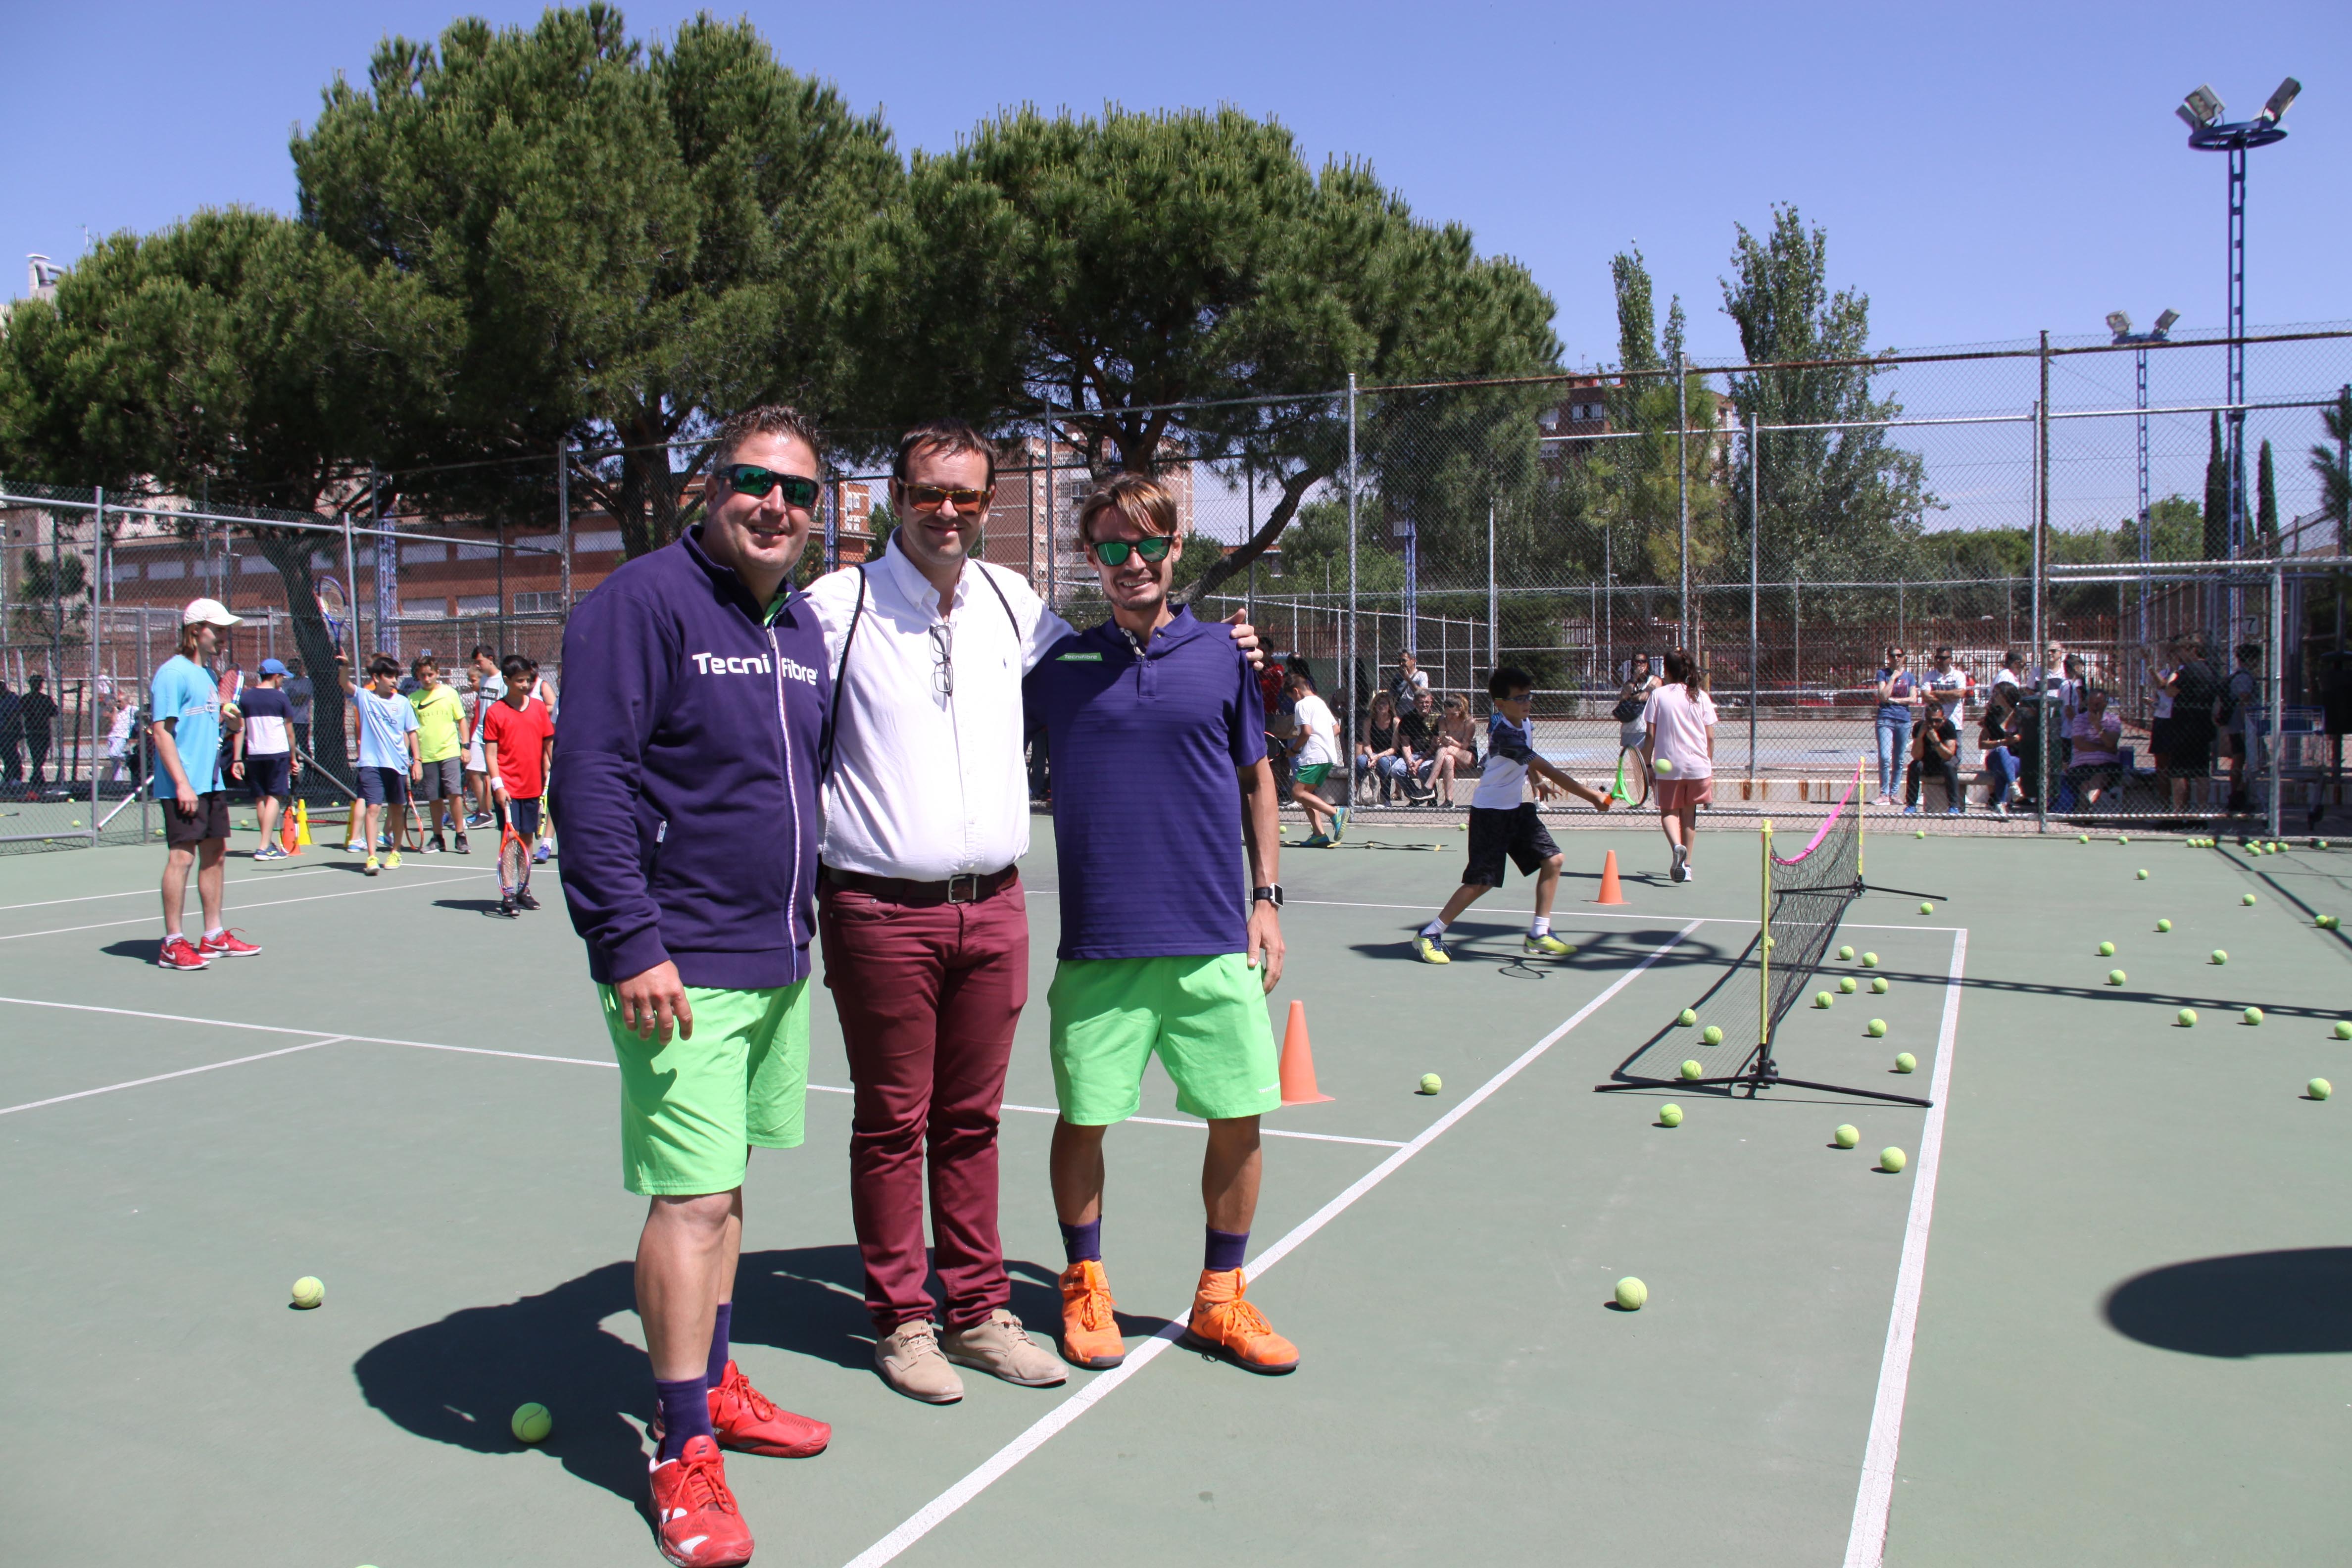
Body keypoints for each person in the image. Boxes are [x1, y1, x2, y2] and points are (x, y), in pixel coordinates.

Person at [802, 418, 1262, 1410]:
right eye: (930, 492)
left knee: (972, 1123)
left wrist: (1223, 645)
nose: (949, 511)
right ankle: (904, 1321)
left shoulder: (1012, 604)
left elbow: (1126, 656)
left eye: (967, 495)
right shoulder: (834, 608)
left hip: (995, 909)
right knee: (893, 1124)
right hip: (879, 908)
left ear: (987, 503)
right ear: (896, 495)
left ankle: (977, 1312)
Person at [555, 404, 834, 1568]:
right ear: (709, 489)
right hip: (679, 963)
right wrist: (628, 938)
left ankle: (713, 1382)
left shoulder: (801, 627)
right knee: (691, 1200)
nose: (775, 505)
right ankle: (679, 1447)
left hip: (776, 957)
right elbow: (591, 778)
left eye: (798, 492)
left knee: (726, 1187)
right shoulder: (641, 602)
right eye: (753, 481)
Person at [1025, 473, 1298, 1375]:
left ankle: (1221, 1297)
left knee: (1238, 1117)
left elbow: (1258, 780)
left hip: (1213, 940)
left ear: (1177, 547)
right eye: (1112, 546)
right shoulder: (1058, 669)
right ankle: (1083, 1283)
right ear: (1090, 557)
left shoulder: (1223, 655)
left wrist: (1267, 897)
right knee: (1084, 1120)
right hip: (1099, 946)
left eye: (1147, 543)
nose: (1131, 561)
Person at [1412, 666, 1611, 962]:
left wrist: (1537, 783)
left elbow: (1530, 763)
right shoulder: (1504, 733)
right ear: (1501, 704)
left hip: (1515, 810)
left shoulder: (1525, 723)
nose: (1526, 702)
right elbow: (1546, 766)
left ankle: (1539, 933)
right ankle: (1429, 934)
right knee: (1481, 882)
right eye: (1519, 698)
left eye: (1528, 696)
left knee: (1554, 860)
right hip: (1490, 814)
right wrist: (1592, 796)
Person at [149, 599, 262, 970]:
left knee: (215, 854)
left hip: (211, 782)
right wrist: (182, 784)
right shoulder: (172, 674)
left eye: (226, 630)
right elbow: (162, 733)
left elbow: (207, 725)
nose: (224, 636)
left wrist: (231, 722)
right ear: (196, 630)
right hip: (183, 784)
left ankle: (213, 936)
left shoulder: (210, 676)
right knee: (182, 857)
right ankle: (172, 943)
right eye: (219, 629)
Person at [481, 655, 555, 914]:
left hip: (533, 786)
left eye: (528, 680)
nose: (526, 685)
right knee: (510, 841)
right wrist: (498, 786)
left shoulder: (538, 709)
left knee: (527, 839)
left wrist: (557, 770)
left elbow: (549, 744)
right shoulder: (495, 713)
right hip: (508, 790)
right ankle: (509, 892)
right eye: (520, 681)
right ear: (507, 680)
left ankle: (524, 889)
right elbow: (491, 755)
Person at [1643, 650, 1718, 880]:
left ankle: (1677, 847)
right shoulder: (1701, 696)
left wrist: (1647, 765)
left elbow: (1650, 735)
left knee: (1669, 812)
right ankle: (1687, 868)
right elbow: (1710, 737)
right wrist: (1707, 763)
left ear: (1666, 670)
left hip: (1669, 766)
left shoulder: (1658, 695)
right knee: (1689, 815)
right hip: (1698, 767)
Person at [351, 655, 421, 876]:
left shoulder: (402, 702)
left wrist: (417, 761)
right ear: (376, 677)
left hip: (397, 764)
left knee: (396, 808)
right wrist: (343, 666)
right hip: (371, 763)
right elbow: (344, 684)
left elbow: (412, 732)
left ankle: (395, 851)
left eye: (395, 677)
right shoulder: (364, 697)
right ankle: (372, 857)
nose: (394, 681)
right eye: (389, 676)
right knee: (373, 808)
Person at [233, 659, 300, 861]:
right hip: (277, 753)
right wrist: (293, 758)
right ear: (276, 677)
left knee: (261, 798)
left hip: (254, 754)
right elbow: (290, 732)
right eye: (282, 677)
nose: (283, 681)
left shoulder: (246, 698)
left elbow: (240, 729)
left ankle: (267, 843)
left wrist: (237, 758)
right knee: (274, 797)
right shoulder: (281, 698)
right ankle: (263, 847)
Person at [407, 656, 470, 853]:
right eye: (423, 675)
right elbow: (411, 732)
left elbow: (462, 720)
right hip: (427, 755)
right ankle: (438, 838)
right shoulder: (413, 699)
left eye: (430, 674)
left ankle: (461, 836)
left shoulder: (450, 693)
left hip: (450, 752)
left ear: (437, 673)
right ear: (418, 676)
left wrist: (466, 746)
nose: (427, 679)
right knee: (434, 798)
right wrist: (415, 759)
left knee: (455, 794)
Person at [1285, 668, 1345, 844]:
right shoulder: (1320, 702)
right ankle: (1319, 835)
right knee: (1307, 795)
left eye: (1291, 697)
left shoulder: (1301, 705)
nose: (1293, 701)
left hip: (1313, 756)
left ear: (1296, 691)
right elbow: (1337, 729)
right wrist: (1322, 739)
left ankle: (1335, 813)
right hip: (1328, 756)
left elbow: (1306, 732)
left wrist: (1294, 749)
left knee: (1297, 793)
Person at [2060, 688, 2123, 813]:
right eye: (2091, 704)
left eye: (2098, 704)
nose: (2095, 707)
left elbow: (2111, 743)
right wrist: (2104, 748)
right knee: (2085, 783)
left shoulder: (2113, 720)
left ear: (2106, 703)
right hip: (2081, 764)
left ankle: (2084, 808)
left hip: (2107, 764)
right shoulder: (2080, 719)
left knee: (2099, 778)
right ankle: (2087, 808)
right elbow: (2080, 744)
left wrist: (2097, 725)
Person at [462, 642, 504, 830]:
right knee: (472, 770)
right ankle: (485, 813)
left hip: (496, 736)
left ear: (490, 659)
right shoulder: (484, 679)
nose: (477, 665)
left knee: (498, 775)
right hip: (480, 733)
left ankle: (505, 810)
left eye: (479, 662)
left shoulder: (503, 680)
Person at [2220, 642, 2262, 813]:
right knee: (2240, 758)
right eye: (2256, 659)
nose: (2258, 663)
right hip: (2242, 726)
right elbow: (2244, 701)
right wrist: (2247, 727)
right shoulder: (2244, 678)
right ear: (2250, 659)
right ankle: (2237, 794)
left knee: (2242, 758)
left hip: (2240, 725)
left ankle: (2239, 793)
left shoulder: (2241, 676)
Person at [1905, 693, 1963, 816]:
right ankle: (1911, 805)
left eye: (1937, 721)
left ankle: (1953, 807)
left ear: (1943, 719)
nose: (1934, 724)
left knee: (1949, 766)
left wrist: (1936, 741)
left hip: (1944, 761)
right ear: (1926, 719)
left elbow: (1949, 755)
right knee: (1914, 766)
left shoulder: (1949, 727)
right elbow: (1916, 756)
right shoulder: (1919, 727)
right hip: (1927, 762)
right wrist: (1920, 737)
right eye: (1930, 720)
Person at [1873, 645, 1916, 805]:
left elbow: (1913, 699)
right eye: (1893, 655)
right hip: (1886, 718)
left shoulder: (1910, 677)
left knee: (1899, 758)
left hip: (1904, 720)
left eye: (1899, 655)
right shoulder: (1882, 674)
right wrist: (1893, 678)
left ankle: (1894, 794)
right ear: (1888, 658)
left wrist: (1896, 700)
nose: (1896, 658)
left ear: (1903, 657)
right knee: (1885, 757)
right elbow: (1883, 696)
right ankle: (1884, 794)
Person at [1355, 691, 1413, 805]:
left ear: (1389, 706)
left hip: (1390, 755)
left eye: (1384, 703)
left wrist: (1377, 757)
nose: (1381, 706)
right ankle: (1365, 796)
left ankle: (1385, 799)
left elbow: (1394, 748)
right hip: (1373, 754)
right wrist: (1371, 756)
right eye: (1378, 703)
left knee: (1383, 762)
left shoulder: (1395, 722)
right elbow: (1366, 745)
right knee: (1361, 760)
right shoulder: (1369, 721)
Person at [1976, 682, 2023, 816]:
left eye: (1998, 693)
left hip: (2016, 759)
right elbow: (1982, 744)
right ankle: (2013, 785)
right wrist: (2002, 742)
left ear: (2007, 696)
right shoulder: (1992, 716)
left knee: (2002, 769)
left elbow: (2030, 735)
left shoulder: (2020, 714)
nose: (1994, 696)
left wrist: (2019, 738)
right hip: (1994, 757)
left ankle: (2000, 804)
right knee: (2002, 750)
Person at [1430, 692, 1477, 806]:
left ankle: (1429, 785)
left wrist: (1452, 742)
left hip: (1467, 756)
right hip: (1447, 753)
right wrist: (1440, 741)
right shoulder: (1443, 720)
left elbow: (1465, 746)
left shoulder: (1469, 722)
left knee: (1444, 749)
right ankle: (1449, 800)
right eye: (1447, 714)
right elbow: (1441, 738)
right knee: (1448, 759)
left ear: (1460, 710)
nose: (1450, 717)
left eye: (1453, 714)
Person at [1399, 687, 1443, 802]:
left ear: (1431, 702)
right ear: (1414, 703)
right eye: (1421, 702)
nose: (1424, 705)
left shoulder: (1438, 718)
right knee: (1397, 769)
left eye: (1427, 702)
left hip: (1431, 755)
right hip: (1413, 755)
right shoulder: (1407, 718)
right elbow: (1405, 743)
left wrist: (1419, 762)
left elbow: (1434, 745)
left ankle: (1432, 800)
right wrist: (1410, 762)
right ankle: (1416, 797)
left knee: (1424, 769)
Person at [19, 675, 58, 789]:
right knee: (37, 755)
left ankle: (37, 776)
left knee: (40, 755)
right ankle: (37, 777)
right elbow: (21, 712)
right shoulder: (27, 699)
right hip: (35, 730)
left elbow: (54, 712)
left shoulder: (44, 699)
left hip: (41, 730)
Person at [102, 692, 139, 785]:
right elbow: (113, 722)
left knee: (113, 754)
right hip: (112, 735)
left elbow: (141, 714)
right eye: (117, 702)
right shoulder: (118, 711)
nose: (118, 704)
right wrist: (115, 710)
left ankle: (128, 756)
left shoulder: (132, 709)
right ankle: (118, 782)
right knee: (115, 763)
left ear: (126, 701)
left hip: (122, 736)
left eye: (120, 702)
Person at [284, 657, 315, 759]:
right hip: (288, 721)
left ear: (300, 668)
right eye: (290, 667)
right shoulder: (285, 682)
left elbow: (301, 701)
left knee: (304, 746)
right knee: (290, 747)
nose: (292, 669)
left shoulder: (306, 682)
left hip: (301, 721)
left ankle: (309, 768)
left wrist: (287, 700)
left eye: (295, 667)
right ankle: (293, 767)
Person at [1389, 649, 1429, 717]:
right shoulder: (1397, 677)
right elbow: (1391, 696)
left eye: (1404, 660)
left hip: (1415, 715)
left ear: (1413, 661)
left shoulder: (1421, 675)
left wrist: (1407, 679)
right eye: (1399, 661)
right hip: (1399, 715)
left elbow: (1423, 694)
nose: (1401, 664)